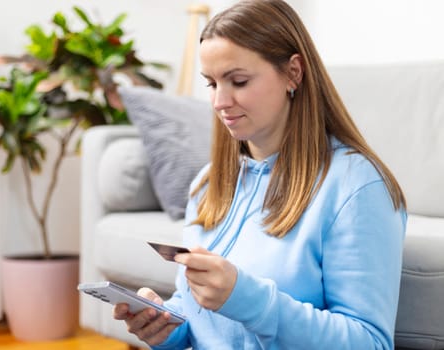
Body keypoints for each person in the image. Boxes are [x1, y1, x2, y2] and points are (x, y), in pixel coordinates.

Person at [113, 0, 407, 348]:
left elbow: (369, 342)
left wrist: (249, 300)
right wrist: (165, 327)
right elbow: (196, 321)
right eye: (211, 83)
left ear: (293, 73)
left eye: (238, 81)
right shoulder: (208, 185)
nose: (220, 101)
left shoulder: (356, 187)